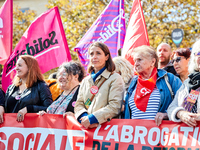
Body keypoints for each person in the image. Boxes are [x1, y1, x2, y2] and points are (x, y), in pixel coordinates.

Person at [124, 45, 182, 126]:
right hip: (134, 135)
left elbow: (185, 104)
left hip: (161, 135)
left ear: (152, 62)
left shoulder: (170, 79)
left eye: (139, 60)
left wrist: (166, 114)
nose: (136, 64)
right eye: (135, 61)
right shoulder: (132, 83)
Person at [75, 42, 124, 129]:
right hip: (86, 130)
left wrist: (92, 119)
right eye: (91, 54)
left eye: (98, 53)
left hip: (106, 131)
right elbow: (79, 104)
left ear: (107, 57)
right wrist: (84, 118)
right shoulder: (85, 80)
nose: (94, 57)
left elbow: (115, 106)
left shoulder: (115, 78)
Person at [0, 55, 53, 123]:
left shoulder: (41, 86)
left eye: (20, 65)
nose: (16, 68)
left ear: (29, 68)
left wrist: (29, 108)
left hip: (32, 130)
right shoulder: (11, 88)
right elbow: (7, 108)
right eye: (16, 65)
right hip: (11, 130)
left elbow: (50, 109)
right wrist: (1, 107)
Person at [168, 40, 200, 127]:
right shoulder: (190, 82)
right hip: (189, 137)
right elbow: (171, 108)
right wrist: (180, 113)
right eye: (198, 53)